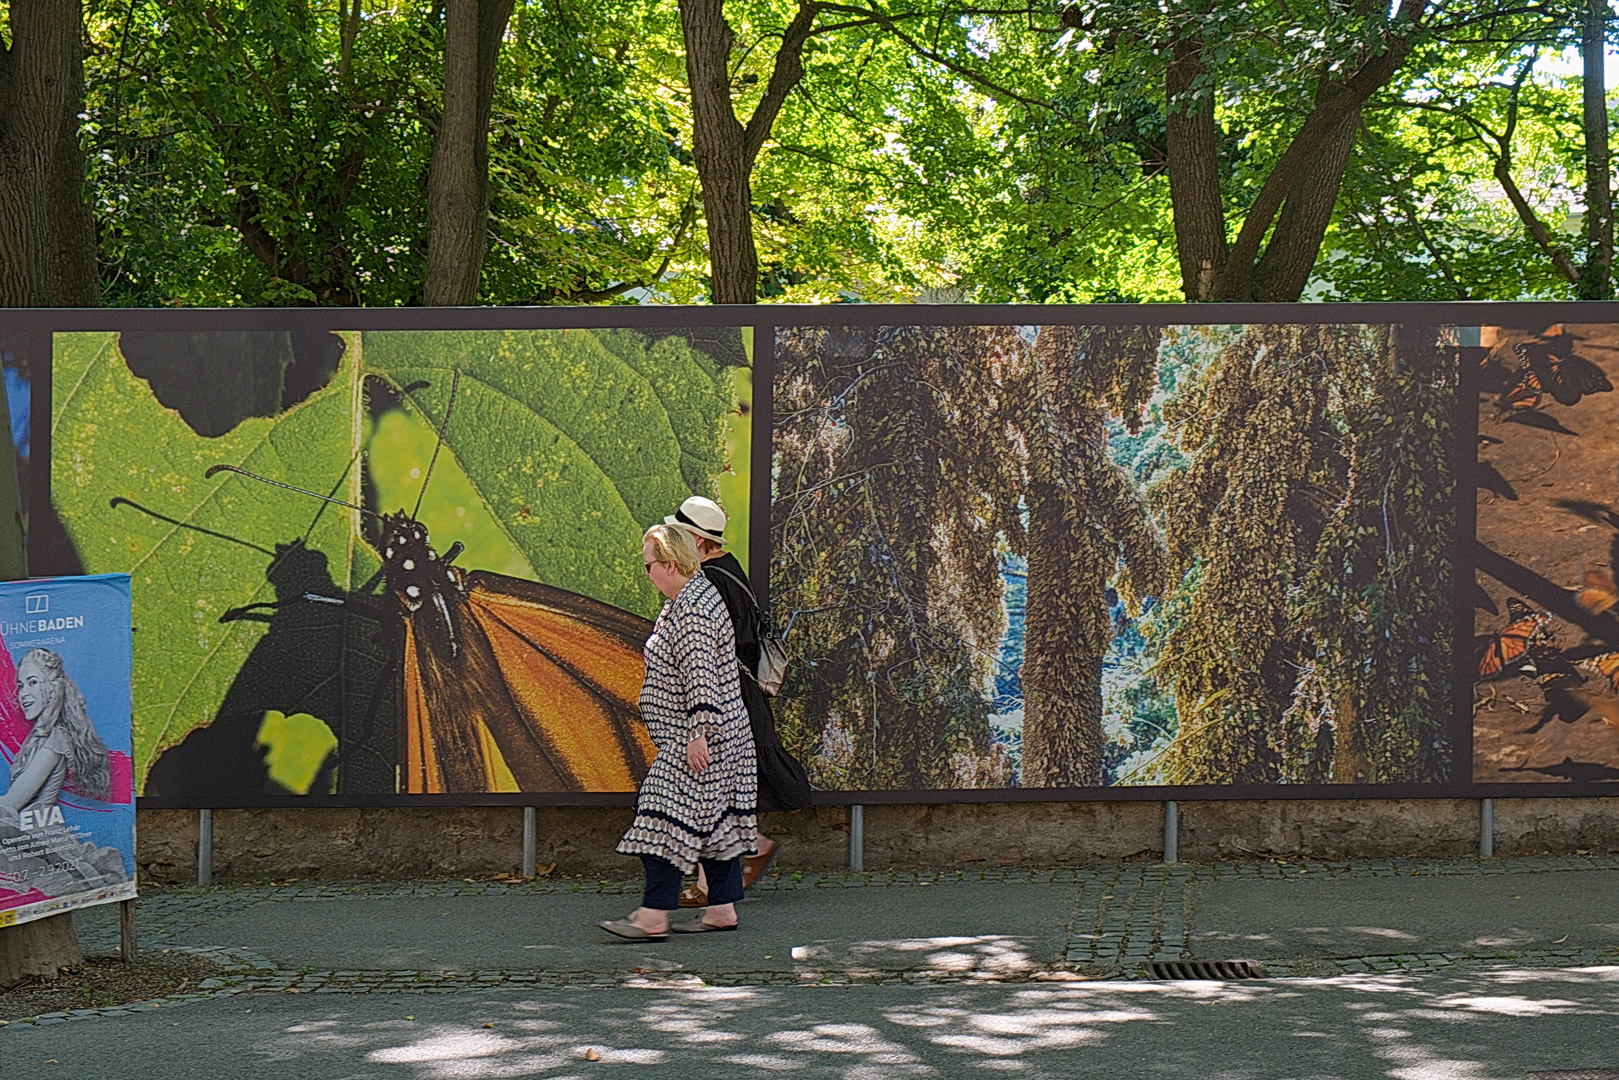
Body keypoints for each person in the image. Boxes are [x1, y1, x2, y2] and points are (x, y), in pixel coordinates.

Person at [602, 524, 758, 939]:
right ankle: (721, 910)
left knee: (660, 820)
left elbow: (701, 675)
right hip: (713, 735)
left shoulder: (693, 610)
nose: (647, 573)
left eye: (649, 565)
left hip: (699, 737)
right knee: (715, 823)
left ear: (670, 565)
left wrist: (698, 736)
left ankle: (653, 916)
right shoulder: (691, 599)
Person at [665, 496, 812, 907]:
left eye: (679, 537)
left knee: (709, 786)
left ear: (697, 541)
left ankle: (715, 887)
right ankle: (740, 859)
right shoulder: (729, 572)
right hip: (738, 693)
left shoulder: (709, 582)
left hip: (723, 695)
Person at [0, 648, 112, 820]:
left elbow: (11, 803)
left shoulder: (54, 740)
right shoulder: (39, 737)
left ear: (52, 688)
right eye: (21, 686)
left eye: (33, 682)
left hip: (38, 837)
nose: (24, 694)